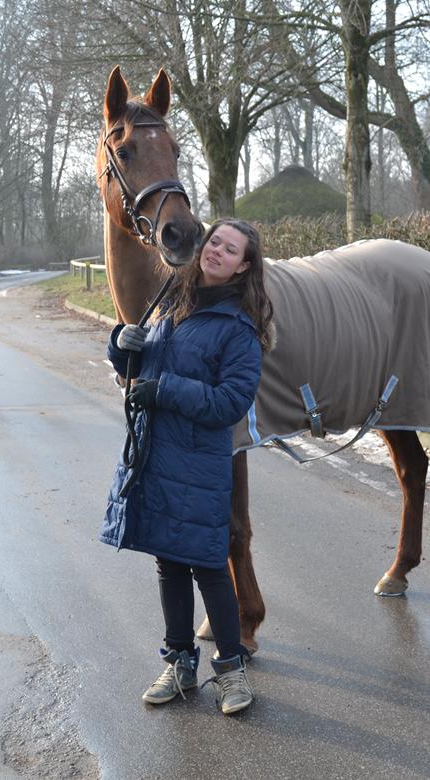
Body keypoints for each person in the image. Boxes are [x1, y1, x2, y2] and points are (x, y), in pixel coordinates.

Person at [100, 218, 274, 715]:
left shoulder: (239, 329)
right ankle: (179, 664)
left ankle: (231, 671)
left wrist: (165, 390)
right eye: (214, 242)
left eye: (230, 250)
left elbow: (230, 403)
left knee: (210, 567)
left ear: (243, 267)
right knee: (169, 563)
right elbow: (140, 369)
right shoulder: (170, 304)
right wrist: (121, 346)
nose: (217, 251)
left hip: (198, 466)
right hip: (156, 457)